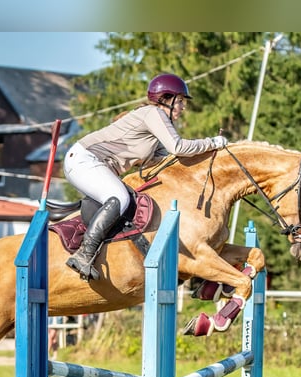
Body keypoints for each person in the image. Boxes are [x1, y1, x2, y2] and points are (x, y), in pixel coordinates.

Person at [63, 73, 228, 281]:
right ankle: (84, 254)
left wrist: (204, 162)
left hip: (90, 164)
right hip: (83, 159)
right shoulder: (153, 113)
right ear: (166, 100)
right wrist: (212, 143)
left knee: (123, 199)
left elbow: (164, 160)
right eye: (180, 102)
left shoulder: (155, 126)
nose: (183, 107)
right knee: (120, 198)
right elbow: (178, 147)